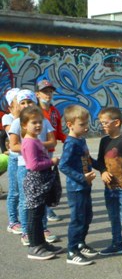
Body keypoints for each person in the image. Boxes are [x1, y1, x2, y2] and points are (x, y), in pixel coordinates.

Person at [8, 89, 58, 246]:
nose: (26, 105)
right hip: (25, 166)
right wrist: (32, 146)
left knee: (42, 201)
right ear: (18, 105)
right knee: (26, 201)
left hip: (43, 167)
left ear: (35, 102)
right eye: (22, 103)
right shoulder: (17, 122)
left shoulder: (44, 121)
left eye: (29, 102)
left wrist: (37, 145)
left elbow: (53, 141)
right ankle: (26, 231)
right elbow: (13, 145)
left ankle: (43, 229)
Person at [19, 106, 63, 260]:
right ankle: (34, 247)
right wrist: (51, 161)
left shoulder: (35, 139)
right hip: (35, 181)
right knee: (34, 215)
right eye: (34, 122)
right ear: (24, 125)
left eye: (40, 122)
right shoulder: (29, 142)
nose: (38, 125)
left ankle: (41, 243)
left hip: (41, 180)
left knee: (39, 213)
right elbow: (33, 165)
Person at [96, 107, 122, 263]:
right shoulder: (104, 141)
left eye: (105, 123)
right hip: (109, 188)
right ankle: (117, 244)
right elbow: (100, 161)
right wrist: (102, 171)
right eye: (101, 123)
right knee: (113, 217)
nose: (102, 126)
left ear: (117, 122)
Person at [59, 105, 98, 266]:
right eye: (82, 124)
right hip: (76, 188)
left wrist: (102, 166)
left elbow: (88, 159)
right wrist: (81, 178)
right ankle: (72, 251)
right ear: (70, 125)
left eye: (86, 123)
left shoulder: (81, 140)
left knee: (87, 216)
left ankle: (81, 243)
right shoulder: (71, 143)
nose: (86, 127)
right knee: (78, 219)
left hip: (85, 186)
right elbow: (63, 165)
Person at [35, 79, 66, 223]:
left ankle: (46, 210)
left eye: (50, 92)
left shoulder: (54, 112)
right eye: (44, 92)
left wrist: (70, 139)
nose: (48, 94)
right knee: (40, 183)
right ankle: (44, 212)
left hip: (50, 151)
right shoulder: (34, 112)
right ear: (37, 94)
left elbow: (58, 132)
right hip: (37, 151)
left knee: (47, 182)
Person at [3, 88, 22, 234]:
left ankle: (25, 221)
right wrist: (17, 116)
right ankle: (12, 221)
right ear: (11, 105)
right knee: (14, 192)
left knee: (25, 193)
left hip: (27, 158)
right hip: (15, 158)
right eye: (19, 101)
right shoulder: (7, 118)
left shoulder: (28, 117)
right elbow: (12, 134)